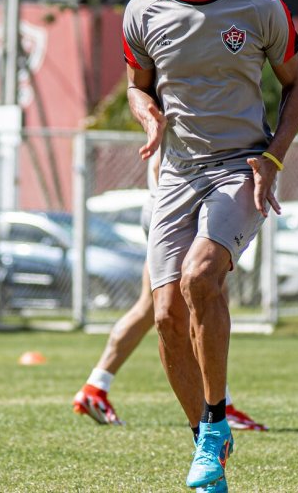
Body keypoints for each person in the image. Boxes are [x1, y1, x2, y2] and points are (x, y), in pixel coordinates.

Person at [121, 0, 298, 491]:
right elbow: (137, 86)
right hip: (177, 173)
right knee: (168, 316)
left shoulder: (260, 8)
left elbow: (296, 85)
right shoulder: (142, 11)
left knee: (201, 278)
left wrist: (274, 157)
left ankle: (214, 416)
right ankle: (208, 440)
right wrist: (149, 117)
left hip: (241, 167)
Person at [73, 155, 267, 432]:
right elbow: (159, 163)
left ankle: (96, 386)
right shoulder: (178, 119)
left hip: (163, 207)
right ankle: (220, 406)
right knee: (203, 302)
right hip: (171, 208)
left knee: (152, 308)